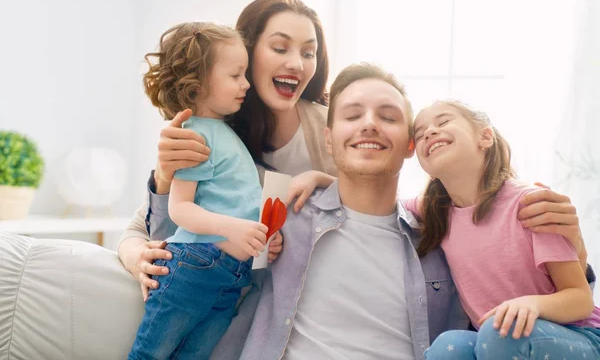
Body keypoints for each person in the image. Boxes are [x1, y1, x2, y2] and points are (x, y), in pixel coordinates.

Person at [148, 63, 594, 360]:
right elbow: (189, 254)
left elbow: (520, 278)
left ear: (408, 146)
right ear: (328, 139)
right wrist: (143, 231)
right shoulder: (281, 207)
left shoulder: (437, 233)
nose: (368, 124)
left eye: (387, 115)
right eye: (353, 114)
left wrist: (575, 247)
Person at [118, 0, 337, 298]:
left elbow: (367, 210)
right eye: (279, 48)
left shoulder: (332, 129)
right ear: (246, 53)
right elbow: (140, 233)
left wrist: (320, 179)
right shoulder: (211, 128)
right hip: (237, 307)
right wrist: (138, 255)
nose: (296, 64)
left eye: (309, 53)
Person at [406, 100, 600, 359]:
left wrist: (531, 304)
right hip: (497, 341)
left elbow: (581, 299)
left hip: (576, 334)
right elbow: (369, 198)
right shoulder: (435, 211)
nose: (429, 132)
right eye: (420, 134)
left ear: (485, 137)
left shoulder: (531, 204)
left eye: (443, 122)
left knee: (500, 332)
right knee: (447, 346)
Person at [127, 21, 272, 360]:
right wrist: (233, 228)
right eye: (235, 75)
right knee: (150, 354)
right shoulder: (193, 135)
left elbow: (238, 201)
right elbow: (180, 209)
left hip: (229, 275)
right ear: (198, 82)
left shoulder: (222, 132)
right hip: (196, 265)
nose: (246, 84)